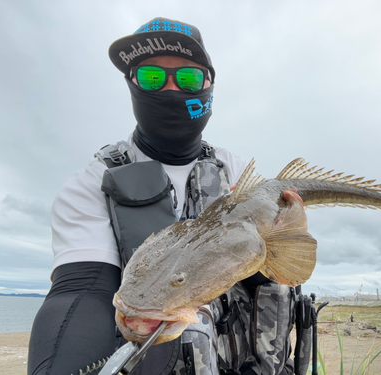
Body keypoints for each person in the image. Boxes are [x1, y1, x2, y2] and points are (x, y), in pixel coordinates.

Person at [28, 17, 296, 375]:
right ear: (132, 84)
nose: (171, 90)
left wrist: (288, 229)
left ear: (209, 86)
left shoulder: (235, 170)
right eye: (152, 77)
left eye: (187, 78)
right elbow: (82, 290)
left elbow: (281, 271)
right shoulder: (93, 183)